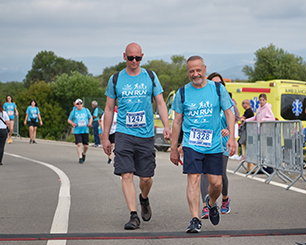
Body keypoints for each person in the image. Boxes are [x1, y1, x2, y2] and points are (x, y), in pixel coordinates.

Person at [102, 42, 171, 230]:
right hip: (124, 133)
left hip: (146, 134)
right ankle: (133, 215)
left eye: (138, 58)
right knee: (126, 174)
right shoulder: (116, 79)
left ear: (142, 57)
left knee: (146, 178)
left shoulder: (150, 76)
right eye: (130, 57)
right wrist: (105, 136)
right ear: (124, 56)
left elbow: (160, 103)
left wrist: (166, 126)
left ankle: (144, 198)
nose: (134, 61)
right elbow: (109, 109)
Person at [170, 56, 236, 233]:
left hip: (214, 143)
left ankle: (211, 202)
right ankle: (195, 218)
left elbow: (230, 114)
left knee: (216, 184)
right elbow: (177, 122)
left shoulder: (217, 89)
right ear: (187, 72)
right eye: (191, 71)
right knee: (193, 178)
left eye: (198, 70)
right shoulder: (182, 93)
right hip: (192, 142)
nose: (195, 74)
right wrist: (174, 147)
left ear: (205, 69)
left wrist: (232, 138)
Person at [199, 73, 234, 219]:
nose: (216, 86)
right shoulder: (203, 101)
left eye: (219, 83)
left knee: (220, 174)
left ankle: (225, 198)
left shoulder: (227, 102)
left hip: (222, 143)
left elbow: (232, 120)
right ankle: (206, 206)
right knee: (203, 174)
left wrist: (229, 131)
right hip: (206, 142)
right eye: (213, 83)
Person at [68, 99, 93, 164]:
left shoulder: (86, 110)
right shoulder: (73, 112)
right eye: (78, 104)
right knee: (79, 144)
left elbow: (90, 117)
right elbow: (69, 120)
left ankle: (84, 153)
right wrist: (72, 123)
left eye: (80, 103)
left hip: (85, 130)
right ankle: (80, 157)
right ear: (75, 105)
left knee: (86, 146)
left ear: (82, 104)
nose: (79, 105)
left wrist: (90, 123)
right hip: (77, 130)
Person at [0, 101, 10, 165]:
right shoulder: (4, 113)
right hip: (3, 130)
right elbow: (8, 122)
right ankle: (0, 160)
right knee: (1, 146)